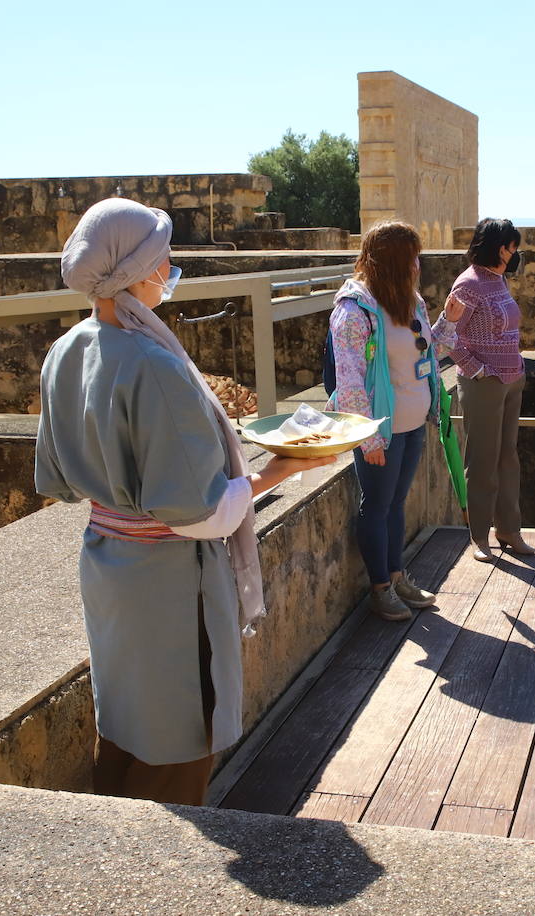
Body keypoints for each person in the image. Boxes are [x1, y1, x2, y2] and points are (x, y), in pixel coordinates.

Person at [35, 198, 332, 805]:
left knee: (123, 720)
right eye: (161, 255)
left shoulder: (67, 350)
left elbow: (58, 478)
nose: (169, 266)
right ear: (139, 269)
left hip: (108, 565)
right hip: (170, 585)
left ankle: (110, 853)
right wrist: (279, 468)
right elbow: (198, 514)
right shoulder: (154, 364)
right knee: (178, 741)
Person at [329, 221, 455, 620]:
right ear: (393, 261)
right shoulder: (353, 311)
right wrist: (369, 439)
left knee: (396, 504)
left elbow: (424, 350)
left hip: (413, 422)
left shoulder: (409, 300)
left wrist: (448, 321)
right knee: (377, 506)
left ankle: (398, 577)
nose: (419, 264)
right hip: (380, 431)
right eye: (412, 257)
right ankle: (380, 588)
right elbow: (349, 382)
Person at [446, 217, 534, 563]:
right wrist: (478, 370)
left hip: (511, 381)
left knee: (507, 459)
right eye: (514, 247)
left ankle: (509, 530)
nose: (516, 254)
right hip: (484, 385)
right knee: (482, 461)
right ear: (501, 248)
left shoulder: (498, 281)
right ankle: (479, 536)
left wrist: (517, 365)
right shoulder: (468, 284)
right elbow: (447, 335)